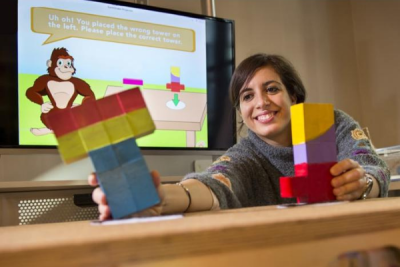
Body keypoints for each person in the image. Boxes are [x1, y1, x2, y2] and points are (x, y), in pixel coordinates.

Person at [89, 54, 390, 220]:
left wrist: (362, 184)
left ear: (294, 96)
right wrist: (160, 198)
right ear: (241, 109)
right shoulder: (245, 155)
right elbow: (215, 182)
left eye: (272, 89)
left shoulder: (329, 123)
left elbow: (372, 164)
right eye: (247, 96)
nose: (261, 102)